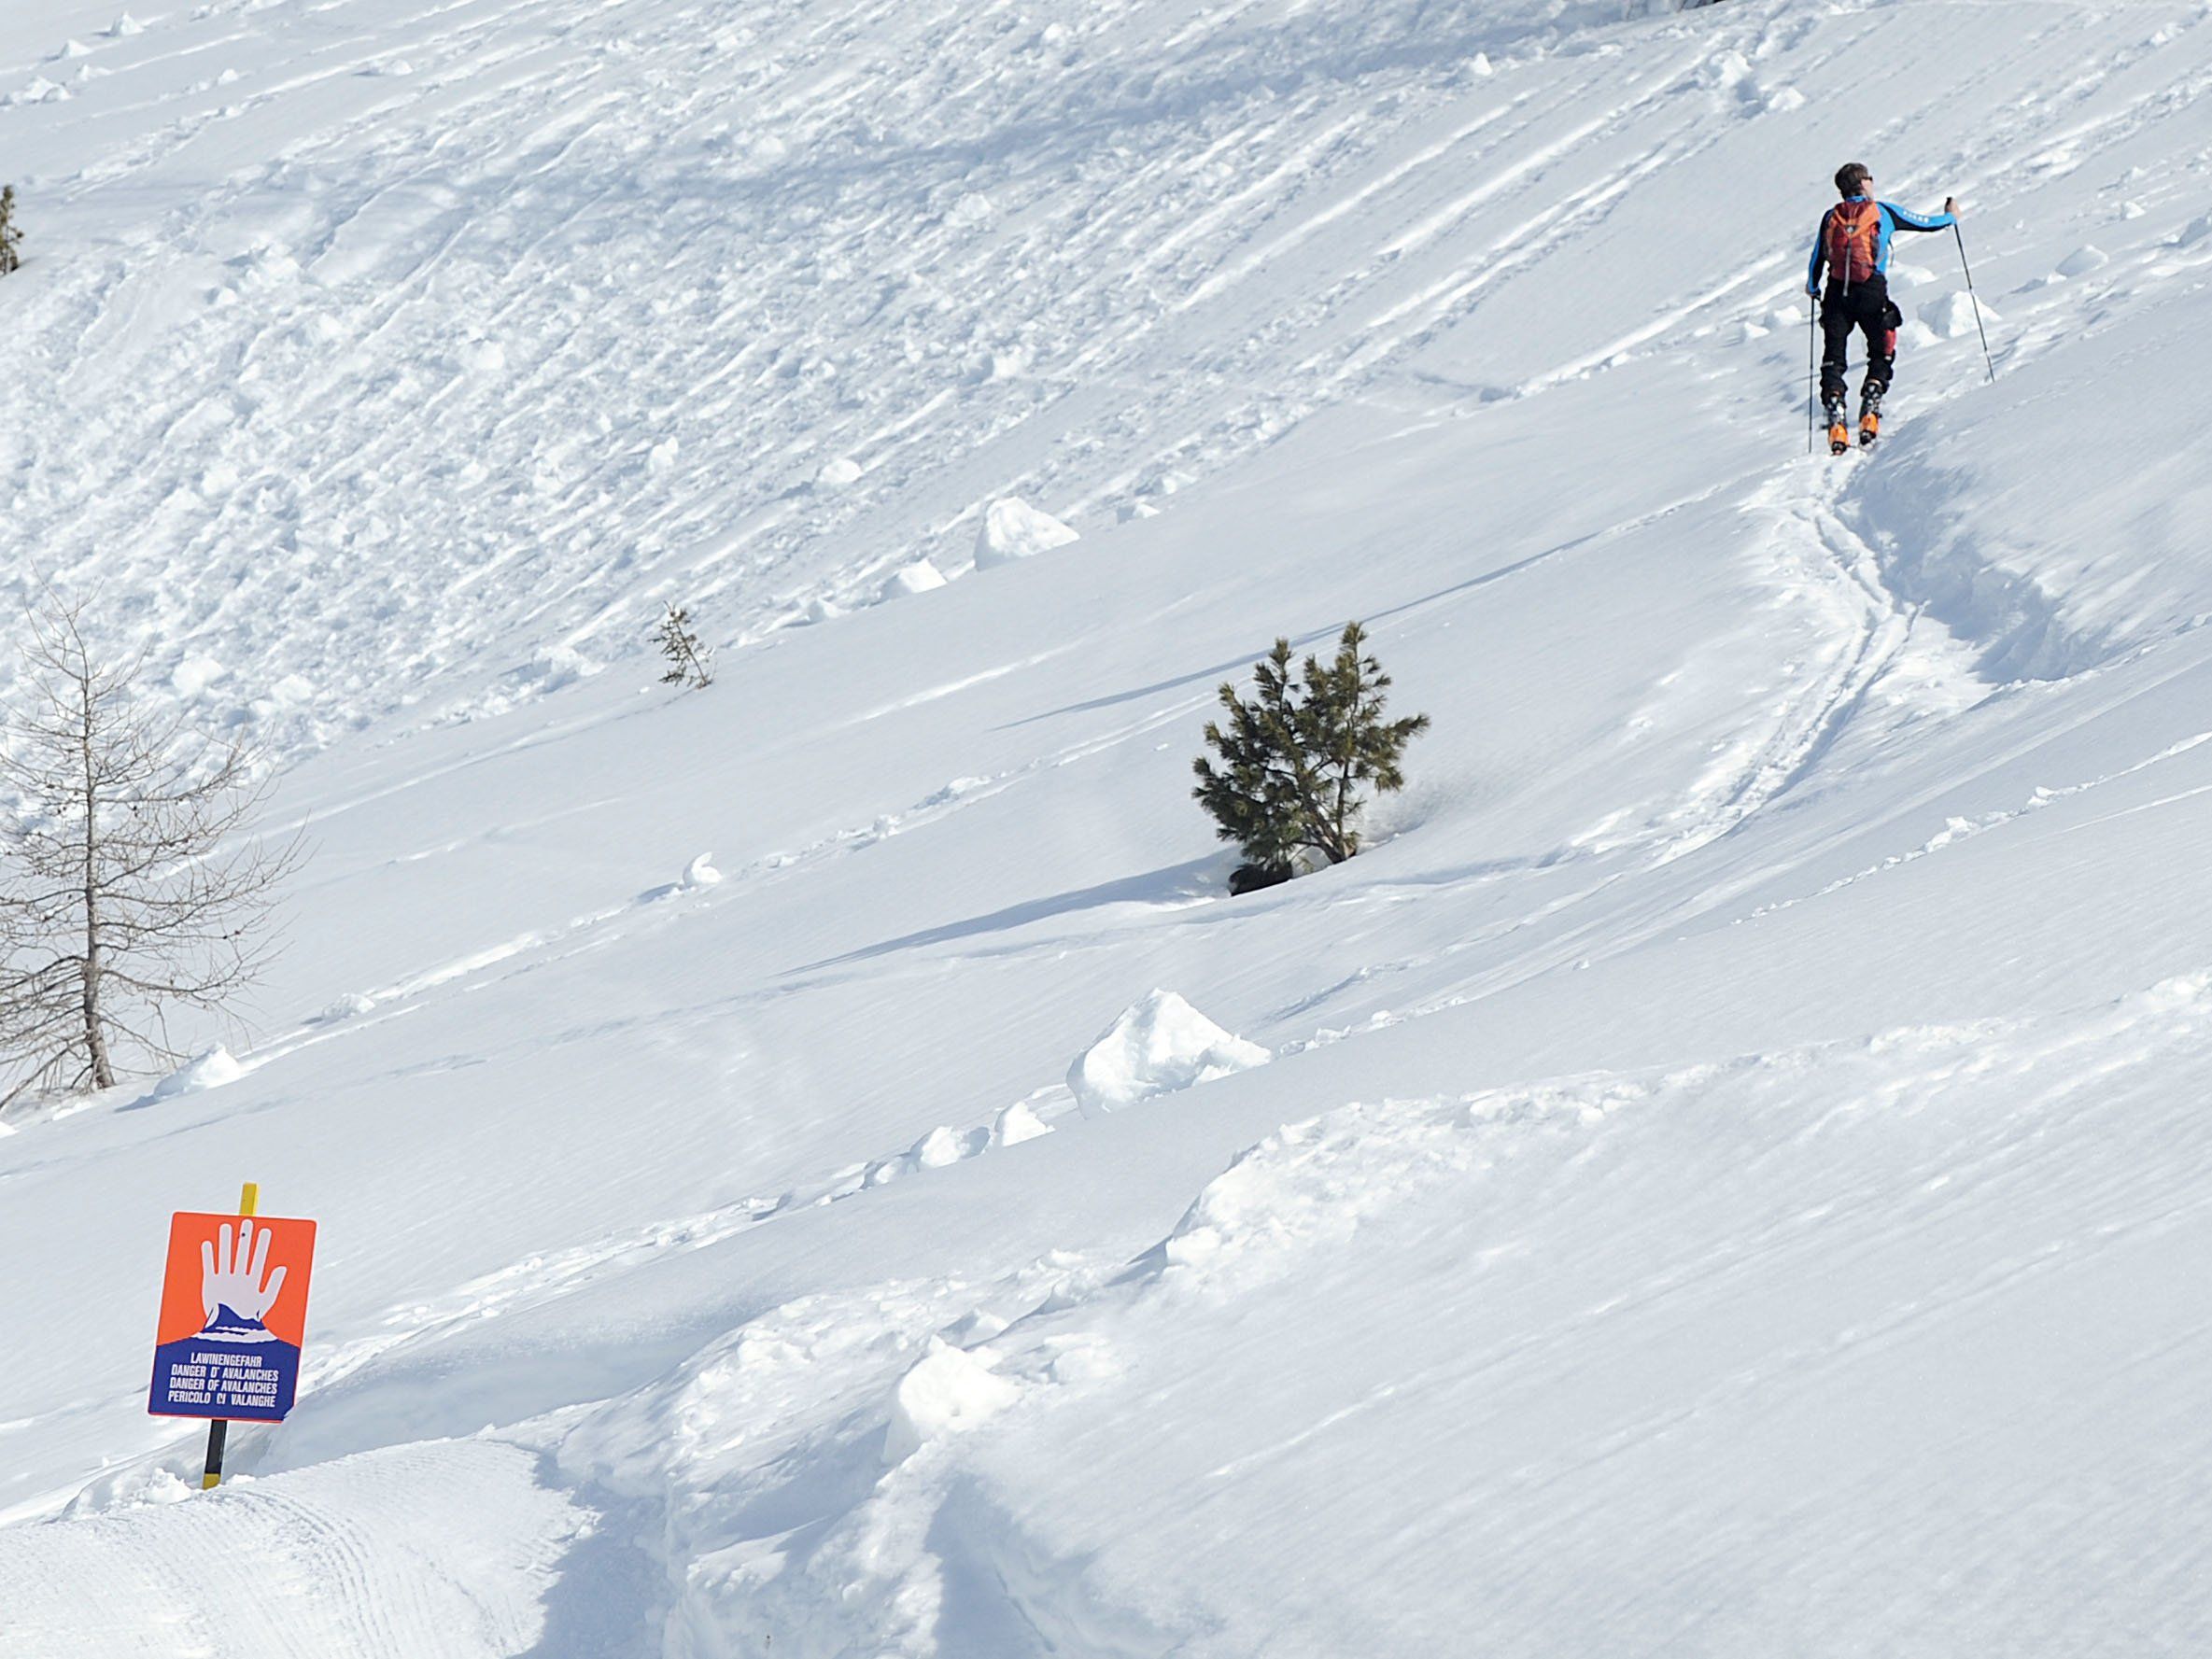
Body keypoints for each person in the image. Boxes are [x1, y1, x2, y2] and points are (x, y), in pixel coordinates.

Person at [1806, 163, 1957, 450]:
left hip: (1836, 293)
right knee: (1882, 347)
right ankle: (1872, 401)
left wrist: (1813, 288)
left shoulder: (1831, 217)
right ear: (1863, 183)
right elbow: (1927, 222)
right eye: (1869, 179)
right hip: (1871, 291)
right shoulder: (1882, 212)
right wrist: (1951, 216)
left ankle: (1836, 415)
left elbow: (1817, 259)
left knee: (1833, 357)